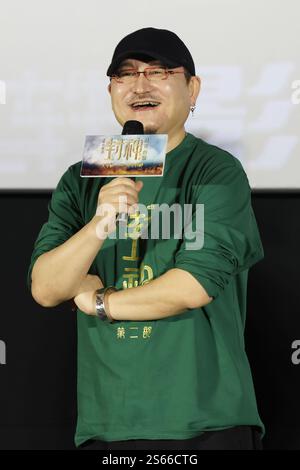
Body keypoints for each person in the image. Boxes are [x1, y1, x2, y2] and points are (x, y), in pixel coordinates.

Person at [27, 27, 265, 450]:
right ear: (111, 90)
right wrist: (99, 223)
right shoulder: (82, 177)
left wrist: (100, 302)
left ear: (192, 88)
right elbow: (47, 288)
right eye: (126, 74)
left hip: (204, 422)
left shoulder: (215, 171)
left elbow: (194, 285)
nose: (140, 85)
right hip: (108, 424)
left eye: (158, 71)